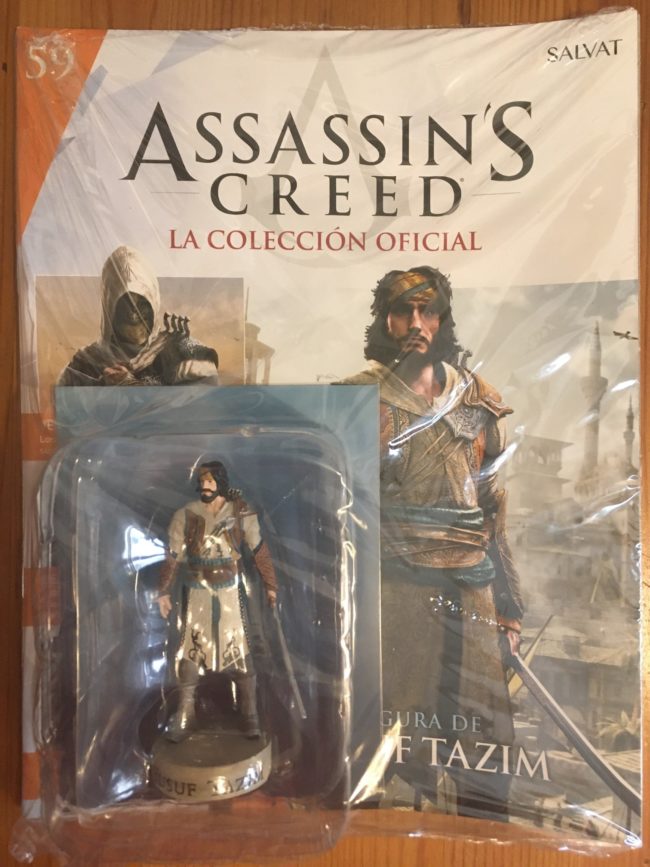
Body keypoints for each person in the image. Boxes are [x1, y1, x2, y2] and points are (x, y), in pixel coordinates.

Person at [343, 266, 524, 818]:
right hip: (393, 588)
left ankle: (484, 839)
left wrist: (510, 608)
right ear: (386, 321)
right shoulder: (358, 400)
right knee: (391, 739)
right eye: (404, 311)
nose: (416, 323)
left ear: (442, 320)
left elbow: (492, 511)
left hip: (471, 590)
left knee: (484, 738)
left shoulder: (478, 402)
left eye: (428, 311)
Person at [156, 460, 278, 741]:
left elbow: (259, 550)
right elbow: (172, 556)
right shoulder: (186, 514)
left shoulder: (241, 512)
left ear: (220, 482)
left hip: (230, 592)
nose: (205, 486)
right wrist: (163, 590)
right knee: (191, 648)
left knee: (239, 646)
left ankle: (249, 712)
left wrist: (271, 585)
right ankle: (186, 712)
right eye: (201, 481)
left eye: (210, 481)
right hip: (197, 591)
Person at [58, 245, 219, 386]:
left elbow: (207, 401)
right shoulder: (84, 364)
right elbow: (69, 404)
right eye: (125, 304)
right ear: (109, 307)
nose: (134, 315)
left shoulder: (186, 353)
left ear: (153, 302)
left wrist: (134, 384)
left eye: (142, 304)